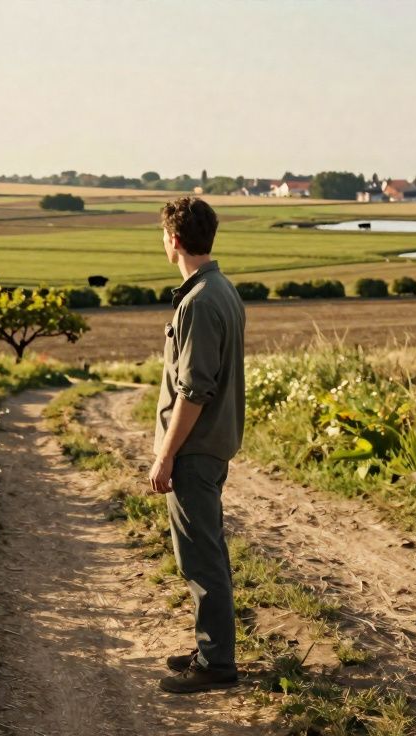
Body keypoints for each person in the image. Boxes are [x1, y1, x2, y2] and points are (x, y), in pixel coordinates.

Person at [146, 196, 246, 694]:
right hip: (210, 444)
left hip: (195, 449)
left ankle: (216, 664)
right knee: (205, 551)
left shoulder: (200, 302)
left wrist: (166, 454)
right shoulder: (220, 290)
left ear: (174, 240)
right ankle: (211, 648)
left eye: (163, 236)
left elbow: (194, 390)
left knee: (199, 558)